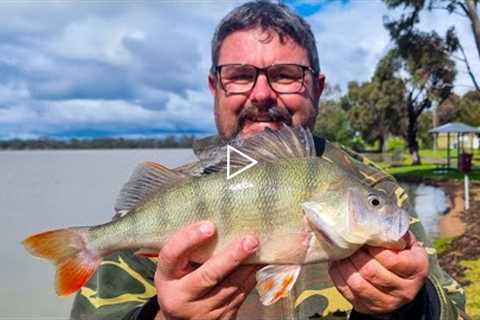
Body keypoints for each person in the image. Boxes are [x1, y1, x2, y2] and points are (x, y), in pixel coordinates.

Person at [71, 1, 467, 319]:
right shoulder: (168, 201)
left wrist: (411, 306)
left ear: (317, 87)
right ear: (215, 87)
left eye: (285, 74)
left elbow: (455, 310)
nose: (261, 94)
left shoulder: (372, 188)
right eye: (240, 75)